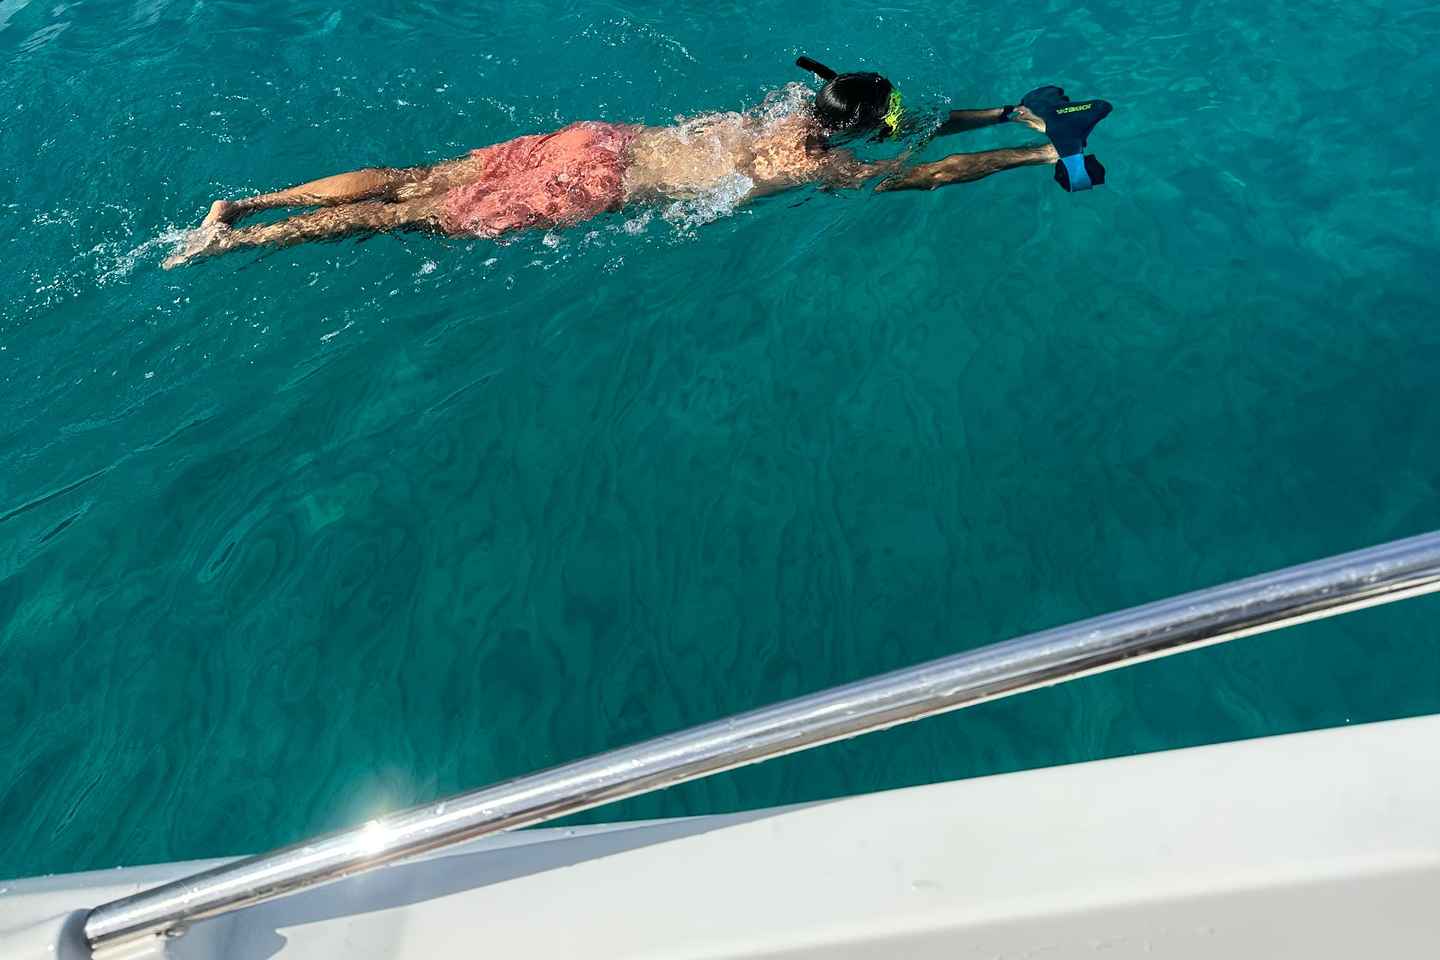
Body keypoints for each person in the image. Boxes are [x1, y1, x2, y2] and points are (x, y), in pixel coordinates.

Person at [163, 58, 1111, 268]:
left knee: (417, 178)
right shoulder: (818, 169)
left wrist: (1004, 108)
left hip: (596, 142)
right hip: (597, 183)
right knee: (402, 218)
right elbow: (921, 169)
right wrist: (1035, 152)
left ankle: (247, 204)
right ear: (853, 129)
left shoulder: (791, 111)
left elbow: (899, 125)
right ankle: (232, 246)